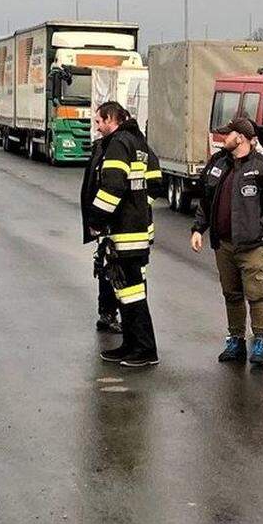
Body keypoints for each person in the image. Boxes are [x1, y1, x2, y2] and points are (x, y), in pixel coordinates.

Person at [190, 117, 263, 365]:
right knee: (231, 294)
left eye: (228, 134)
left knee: (257, 294)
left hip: (253, 245)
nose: (223, 138)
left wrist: (260, 229)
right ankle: (235, 341)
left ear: (241, 137)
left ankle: (261, 342)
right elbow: (206, 199)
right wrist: (198, 229)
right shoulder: (219, 164)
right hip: (223, 243)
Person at [80, 101, 163, 367]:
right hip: (134, 230)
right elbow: (153, 183)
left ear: (110, 120)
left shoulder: (117, 144)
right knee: (127, 292)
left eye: (98, 122)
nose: (97, 127)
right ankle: (130, 345)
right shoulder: (137, 142)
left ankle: (144, 350)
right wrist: (140, 208)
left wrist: (96, 220)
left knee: (132, 292)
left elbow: (112, 187)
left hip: (124, 234)